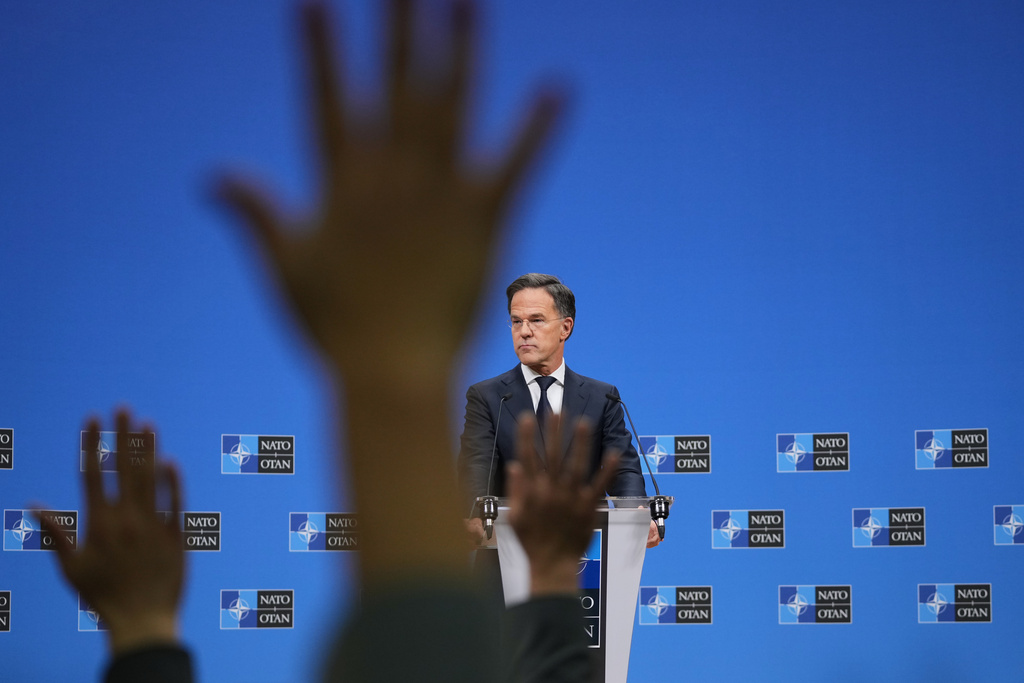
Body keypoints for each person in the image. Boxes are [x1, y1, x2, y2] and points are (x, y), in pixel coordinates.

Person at [458, 272, 661, 549]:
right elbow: (478, 465)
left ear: (565, 328)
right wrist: (472, 514)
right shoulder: (488, 397)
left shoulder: (601, 397)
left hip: (583, 553)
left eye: (536, 320)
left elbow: (622, 468)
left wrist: (636, 512)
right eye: (516, 322)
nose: (524, 331)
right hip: (504, 551)